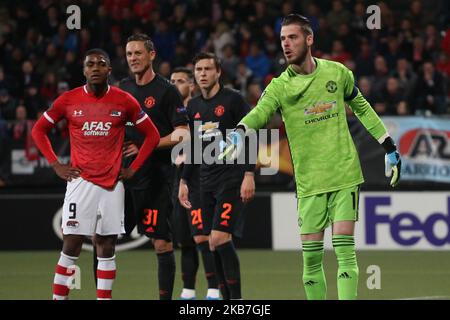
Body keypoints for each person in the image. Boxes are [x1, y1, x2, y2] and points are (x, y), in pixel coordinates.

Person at [220, 14, 402, 300]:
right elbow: (260, 112)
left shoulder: (337, 73)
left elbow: (363, 108)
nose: (286, 44)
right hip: (308, 182)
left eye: (292, 37)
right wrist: (240, 130)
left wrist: (389, 147)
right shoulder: (279, 86)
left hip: (343, 173)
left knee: (344, 250)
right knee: (311, 262)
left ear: (309, 39)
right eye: (282, 39)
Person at [31, 49, 160, 300]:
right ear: (84, 70)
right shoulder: (68, 100)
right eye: (90, 64)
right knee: (71, 243)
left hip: (113, 184)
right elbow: (39, 130)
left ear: (109, 70)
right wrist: (56, 164)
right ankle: (59, 298)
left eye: (101, 64)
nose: (96, 68)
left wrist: (133, 168)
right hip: (80, 182)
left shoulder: (124, 100)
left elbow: (152, 135)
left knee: (106, 244)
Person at [178, 52, 256, 300]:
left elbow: (250, 135)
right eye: (198, 70)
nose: (202, 74)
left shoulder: (233, 100)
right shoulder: (194, 106)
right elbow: (192, 146)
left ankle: (237, 300)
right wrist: (183, 180)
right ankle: (226, 298)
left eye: (207, 69)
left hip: (230, 179)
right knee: (212, 242)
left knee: (220, 238)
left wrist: (248, 174)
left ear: (218, 72)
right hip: (204, 181)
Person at [118, 34, 189, 300]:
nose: (133, 58)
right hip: (125, 178)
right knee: (103, 240)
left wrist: (148, 144)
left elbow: (183, 134)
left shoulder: (166, 91)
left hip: (158, 178)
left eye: (138, 53)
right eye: (129, 54)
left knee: (161, 243)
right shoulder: (122, 88)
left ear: (152, 55)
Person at [170, 67, 220, 300]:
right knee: (184, 239)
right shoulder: (168, 114)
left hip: (199, 180)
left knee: (202, 236)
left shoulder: (199, 110)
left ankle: (213, 289)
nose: (174, 84)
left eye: (180, 81)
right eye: (171, 80)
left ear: (191, 86)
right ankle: (188, 290)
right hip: (175, 182)